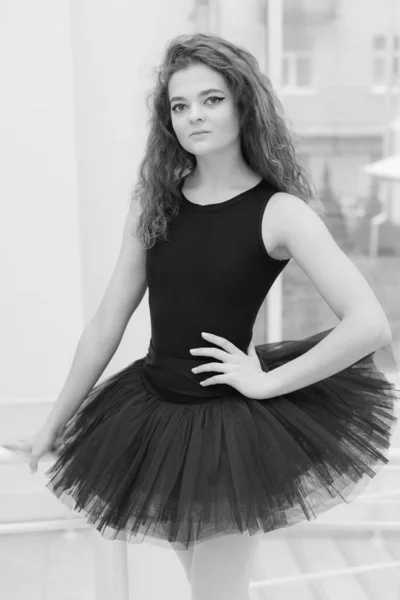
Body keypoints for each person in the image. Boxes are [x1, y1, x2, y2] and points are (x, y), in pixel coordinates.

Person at [2, 32, 399, 600]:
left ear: (244, 103)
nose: (194, 116)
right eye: (179, 105)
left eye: (211, 99)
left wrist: (267, 382)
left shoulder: (281, 213)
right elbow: (107, 323)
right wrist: (52, 425)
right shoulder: (153, 203)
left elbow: (370, 324)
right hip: (154, 420)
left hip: (228, 433)